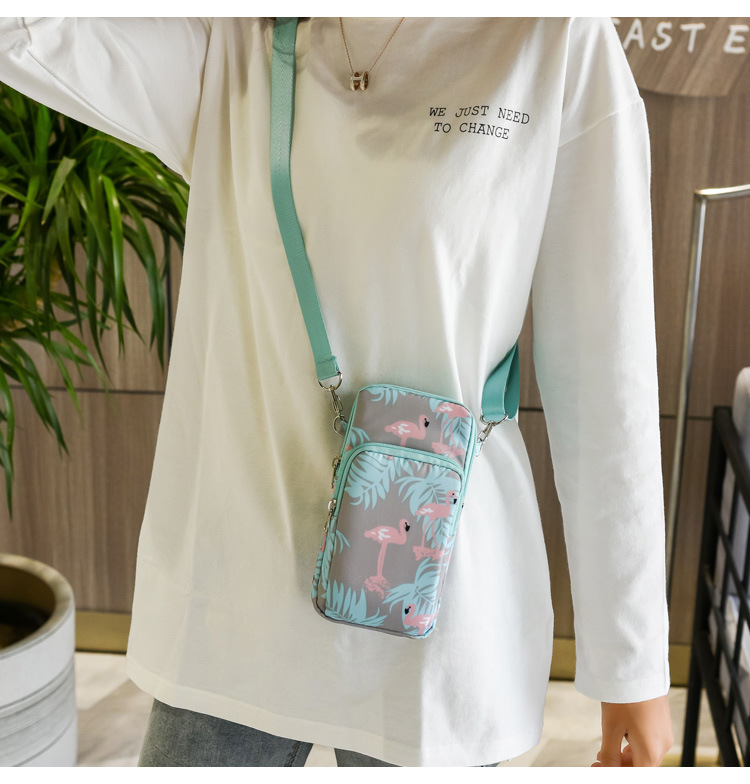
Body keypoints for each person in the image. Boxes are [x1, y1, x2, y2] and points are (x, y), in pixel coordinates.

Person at [0, 16, 674, 767]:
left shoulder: (554, 38)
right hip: (236, 602)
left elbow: (606, 378)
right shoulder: (235, 46)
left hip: (435, 609)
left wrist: (632, 667)